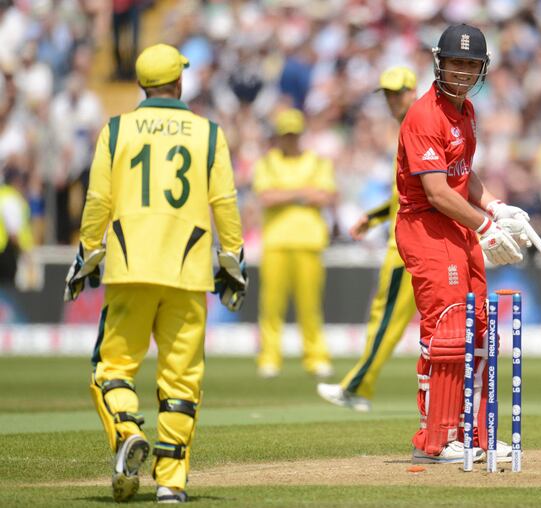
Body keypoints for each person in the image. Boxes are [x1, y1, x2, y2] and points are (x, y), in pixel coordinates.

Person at [65, 43, 247, 503]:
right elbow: (225, 203)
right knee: (182, 380)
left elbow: (98, 201)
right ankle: (171, 482)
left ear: (142, 84)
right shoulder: (208, 133)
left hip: (130, 266)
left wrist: (87, 253)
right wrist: (233, 261)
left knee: (111, 370)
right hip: (187, 270)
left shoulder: (117, 128)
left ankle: (126, 430)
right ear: (179, 82)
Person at [394, 24, 530, 464]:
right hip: (426, 227)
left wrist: (496, 207)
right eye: (456, 63)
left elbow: (462, 174)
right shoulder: (423, 115)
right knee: (447, 329)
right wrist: (486, 228)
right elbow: (435, 191)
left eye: (472, 64)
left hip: (458, 226)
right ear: (439, 63)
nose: (463, 72)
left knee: (477, 328)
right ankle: (434, 440)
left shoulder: (467, 111)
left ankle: (473, 433)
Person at [317, 66, 419, 412]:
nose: (392, 101)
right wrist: (374, 216)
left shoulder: (415, 125)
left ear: (411, 90)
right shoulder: (411, 126)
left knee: (386, 317)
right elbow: (405, 191)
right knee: (390, 317)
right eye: (387, 95)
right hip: (408, 236)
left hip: (407, 243)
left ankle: (357, 386)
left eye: (396, 93)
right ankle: (362, 386)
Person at [253, 108, 337, 379]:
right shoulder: (266, 162)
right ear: (278, 136)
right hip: (276, 242)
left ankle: (315, 358)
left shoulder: (318, 162)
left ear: (300, 135)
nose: (290, 140)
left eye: (294, 135)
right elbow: (267, 198)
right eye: (285, 135)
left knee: (310, 306)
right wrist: (302, 192)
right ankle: (269, 357)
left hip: (309, 242)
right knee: (271, 306)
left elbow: (325, 196)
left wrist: (285, 193)